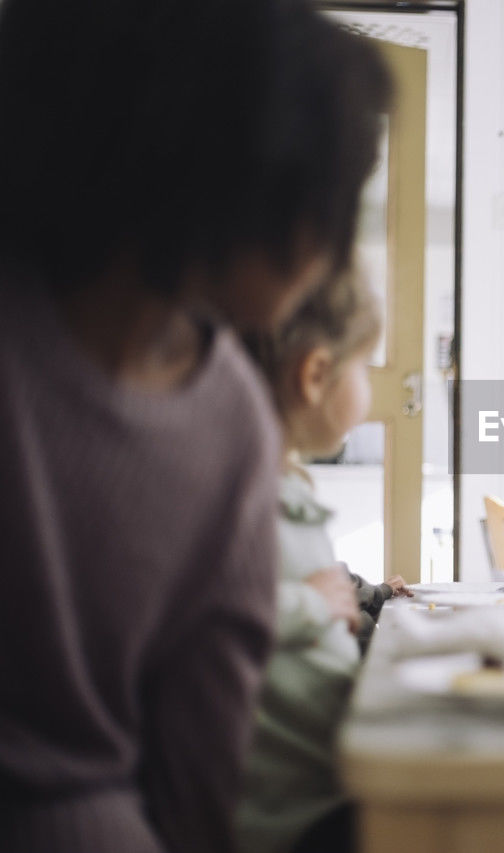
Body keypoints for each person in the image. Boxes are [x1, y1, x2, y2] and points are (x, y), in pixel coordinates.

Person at [0, 2, 390, 851]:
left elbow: (204, 759)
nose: (329, 256)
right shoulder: (226, 416)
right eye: (326, 208)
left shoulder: (231, 416)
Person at [236, 270, 408, 853]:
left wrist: (371, 595)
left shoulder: (278, 482)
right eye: (361, 367)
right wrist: (313, 606)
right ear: (314, 376)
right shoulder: (240, 494)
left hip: (330, 780)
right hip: (297, 815)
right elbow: (206, 606)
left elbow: (308, 573)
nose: (369, 386)